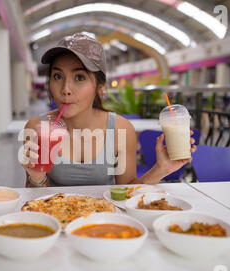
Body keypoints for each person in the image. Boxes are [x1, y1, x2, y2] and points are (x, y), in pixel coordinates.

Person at [21, 33, 196, 187]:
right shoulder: (37, 126)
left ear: (100, 87)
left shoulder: (121, 128)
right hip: (55, 217)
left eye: (80, 77)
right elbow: (33, 200)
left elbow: (127, 190)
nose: (65, 88)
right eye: (57, 76)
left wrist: (161, 169)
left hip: (104, 218)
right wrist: (37, 177)